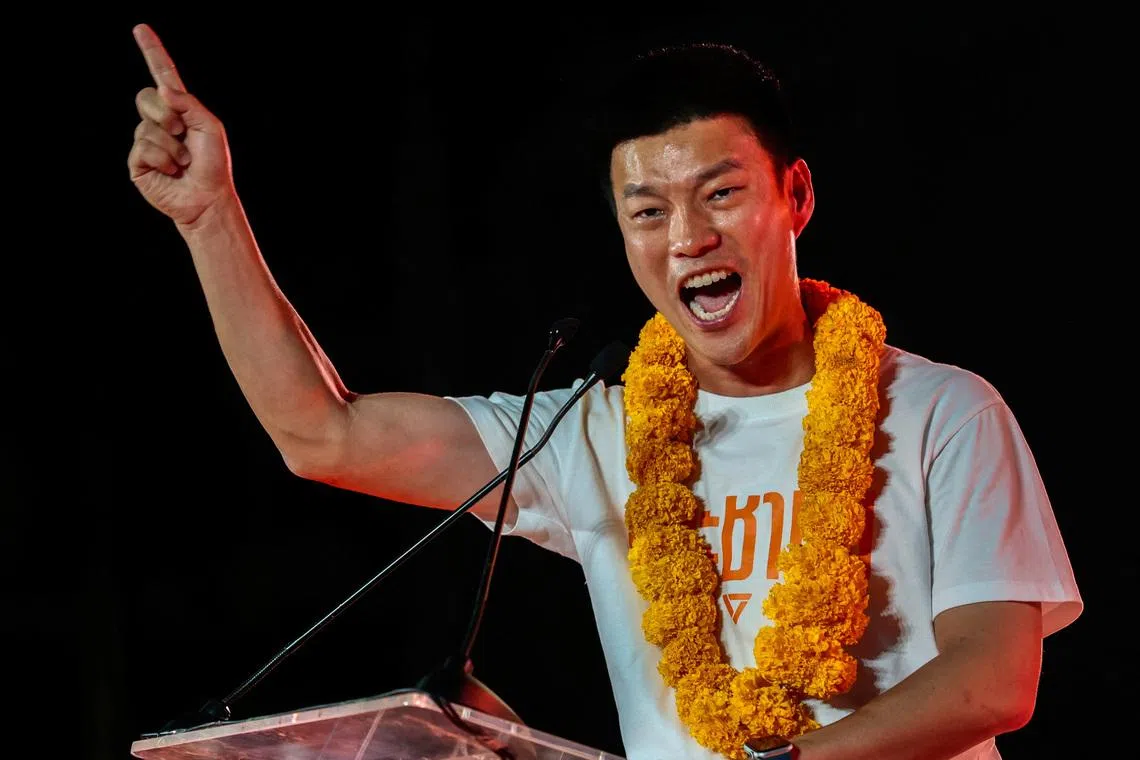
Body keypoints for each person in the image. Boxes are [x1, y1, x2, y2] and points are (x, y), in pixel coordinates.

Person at [127, 23, 1082, 760]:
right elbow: (323, 437)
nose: (687, 238)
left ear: (795, 197)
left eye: (720, 193)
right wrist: (211, 221)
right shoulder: (588, 433)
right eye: (649, 211)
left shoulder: (942, 411)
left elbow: (993, 681)